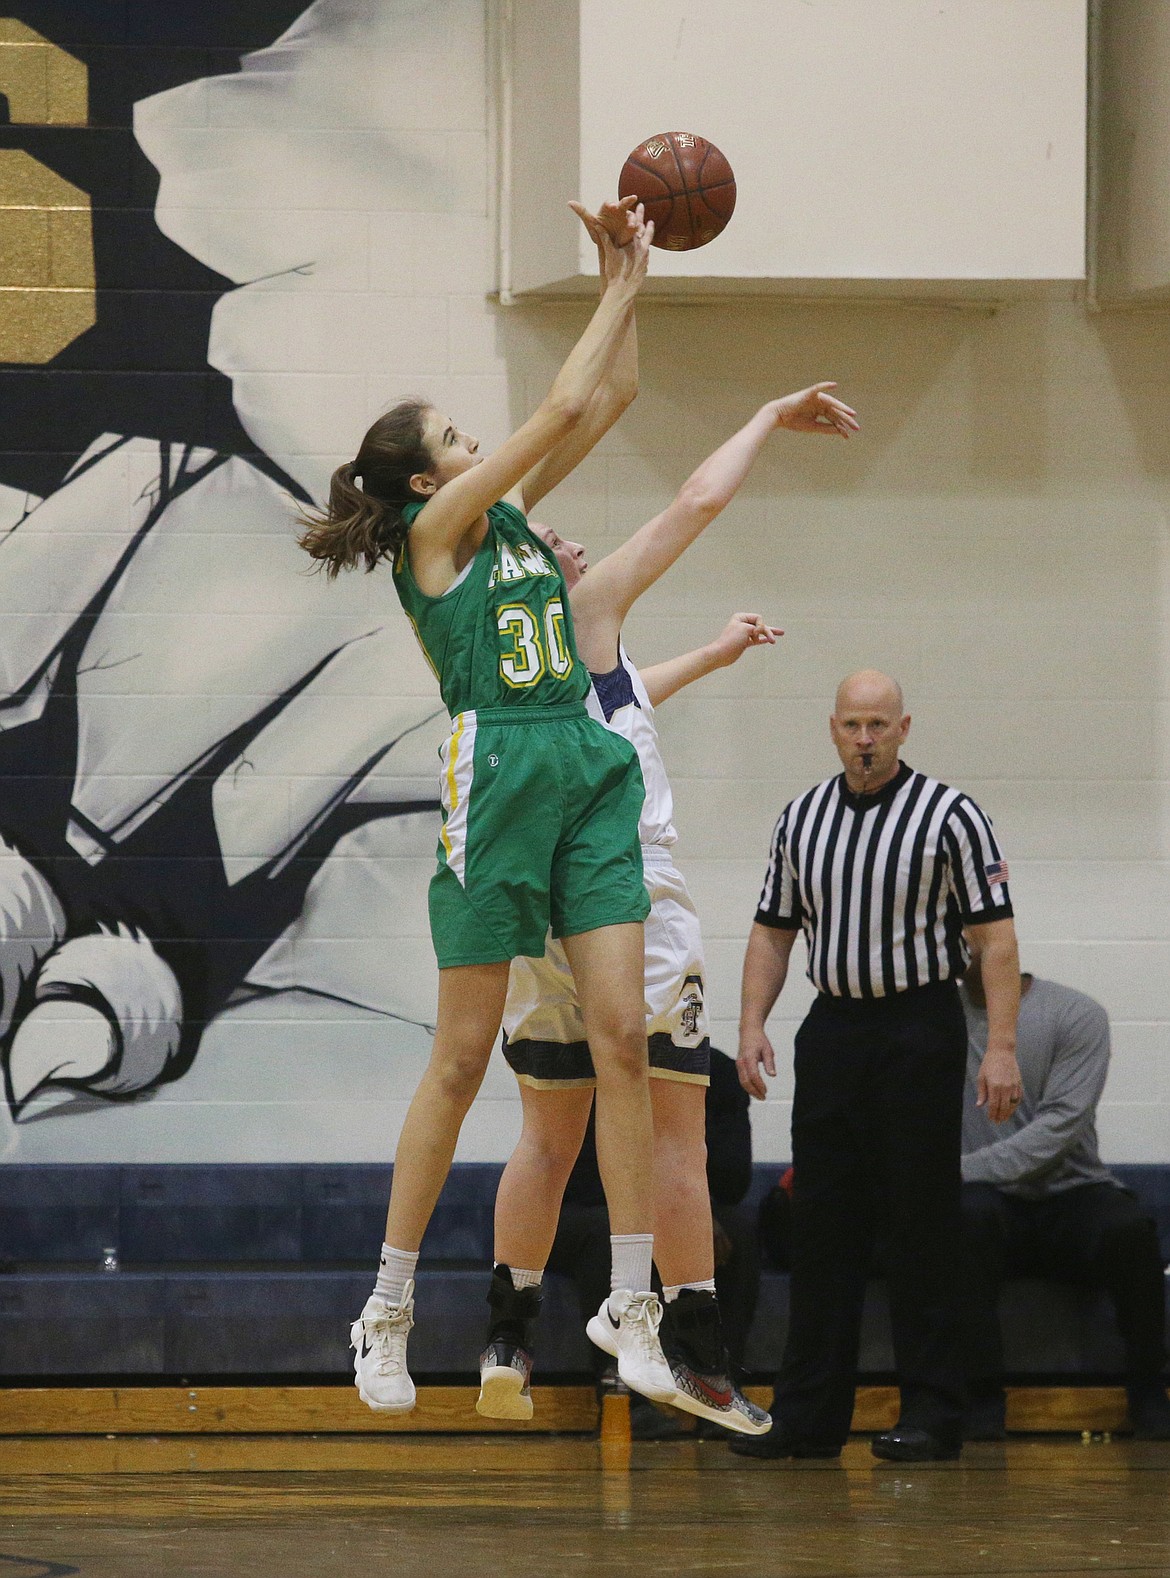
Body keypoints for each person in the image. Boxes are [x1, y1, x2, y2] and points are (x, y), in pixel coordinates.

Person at [299, 198, 679, 1415]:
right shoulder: (439, 535)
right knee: (462, 1059)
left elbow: (610, 399)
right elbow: (563, 405)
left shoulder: (507, 519)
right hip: (499, 778)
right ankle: (389, 1306)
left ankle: (632, 1304)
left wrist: (635, 281)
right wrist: (618, 271)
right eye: (458, 435)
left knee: (624, 1040)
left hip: (582, 760)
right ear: (424, 477)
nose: (477, 441)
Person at [473, 344, 858, 1431]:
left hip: (535, 911)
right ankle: (686, 1343)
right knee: (675, 1138)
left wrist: (714, 656)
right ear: (535, 567)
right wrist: (771, 408)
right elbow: (694, 503)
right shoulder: (585, 607)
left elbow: (629, 696)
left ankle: (505, 1333)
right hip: (627, 903)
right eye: (555, 538)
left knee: (545, 1138)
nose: (576, 542)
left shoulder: (493, 648)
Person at [735, 670, 1023, 1463]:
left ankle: (934, 1412)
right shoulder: (802, 817)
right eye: (852, 724)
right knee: (821, 1220)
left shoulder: (952, 816)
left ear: (904, 729)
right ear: (832, 728)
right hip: (833, 1030)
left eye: (879, 725)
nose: (865, 739)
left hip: (918, 1027)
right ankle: (807, 1417)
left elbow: (994, 938)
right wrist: (751, 1023)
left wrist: (999, 1046)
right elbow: (772, 931)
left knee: (921, 1222)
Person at [959, 959, 1170, 1441]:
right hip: (986, 1204)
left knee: (1130, 1230)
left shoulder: (1075, 1013)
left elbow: (1058, 1129)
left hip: (1069, 1193)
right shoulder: (933, 1021)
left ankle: (1147, 1391)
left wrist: (953, 1173)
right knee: (965, 1219)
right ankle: (982, 1399)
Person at [544, 1048, 759, 1438]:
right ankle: (626, 1397)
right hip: (582, 1211)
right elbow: (579, 1177)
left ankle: (717, 1384)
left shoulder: (718, 1072)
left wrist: (694, 1207)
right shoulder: (592, 1064)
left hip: (679, 1202)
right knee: (607, 1236)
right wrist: (656, 1210)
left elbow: (734, 1178)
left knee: (739, 1234)